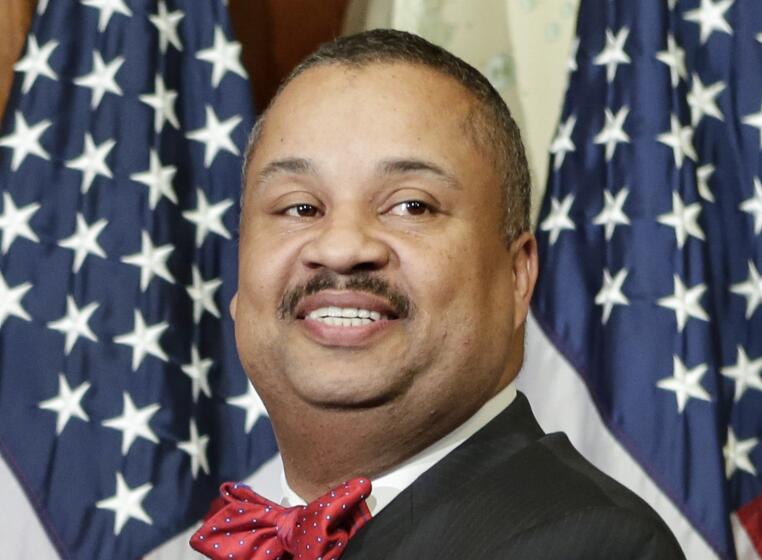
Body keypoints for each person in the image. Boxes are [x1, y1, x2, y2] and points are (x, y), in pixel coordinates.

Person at [190, 29, 684, 559]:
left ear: (516, 276)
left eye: (412, 206)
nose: (340, 247)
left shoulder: (592, 545)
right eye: (301, 208)